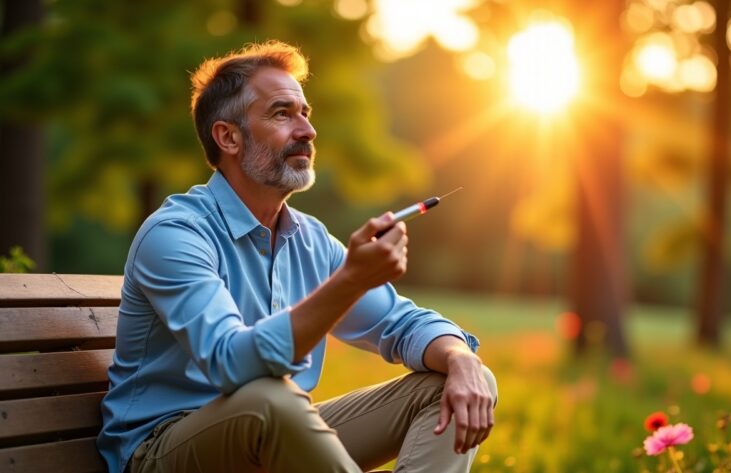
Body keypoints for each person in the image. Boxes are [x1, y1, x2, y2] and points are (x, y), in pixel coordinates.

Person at [96, 40, 497, 473]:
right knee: (270, 398)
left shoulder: (309, 239)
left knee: (452, 384)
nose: (307, 130)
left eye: (305, 113)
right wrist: (350, 281)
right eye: (282, 113)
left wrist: (460, 357)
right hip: (161, 451)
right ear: (228, 137)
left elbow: (401, 323)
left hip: (271, 431)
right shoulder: (176, 234)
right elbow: (232, 364)